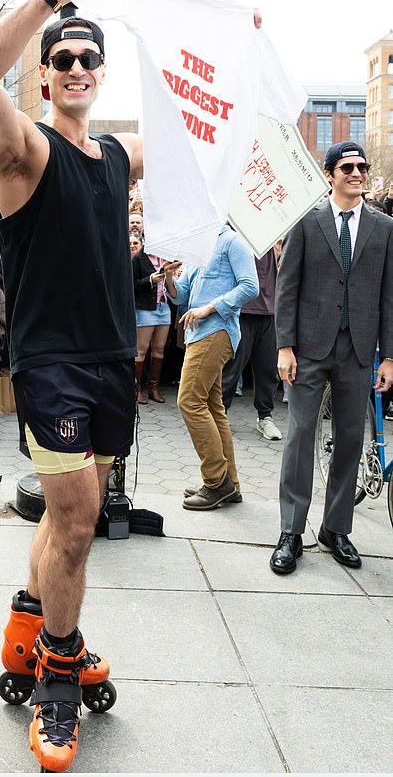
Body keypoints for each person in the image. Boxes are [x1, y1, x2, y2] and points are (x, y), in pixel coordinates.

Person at [0, 0, 142, 772]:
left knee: (80, 522)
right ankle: (57, 686)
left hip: (109, 360)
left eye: (86, 57)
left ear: (101, 72)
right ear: (43, 73)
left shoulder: (116, 159)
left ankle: (31, 630)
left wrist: (224, 49)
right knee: (71, 525)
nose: (73, 66)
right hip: (51, 364)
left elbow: (212, 146)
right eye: (60, 57)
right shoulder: (26, 151)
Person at [271, 142, 393, 575]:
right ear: (330, 174)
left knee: (350, 441)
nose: (357, 173)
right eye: (348, 167)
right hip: (308, 348)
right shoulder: (306, 221)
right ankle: (291, 531)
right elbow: (287, 288)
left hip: (359, 349)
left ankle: (336, 529)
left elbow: (388, 297)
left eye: (362, 167)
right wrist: (285, 346)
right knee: (301, 436)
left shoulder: (384, 227)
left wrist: (388, 357)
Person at [165, 225, 258, 510]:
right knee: (213, 406)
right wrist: (168, 276)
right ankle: (230, 483)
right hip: (199, 333)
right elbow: (181, 296)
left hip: (216, 330)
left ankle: (216, 483)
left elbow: (250, 286)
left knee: (189, 401)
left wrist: (210, 307)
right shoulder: (200, 245)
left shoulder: (232, 241)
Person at [220, 248, 283, 440]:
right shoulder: (236, 232)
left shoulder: (276, 233)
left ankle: (265, 416)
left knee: (268, 369)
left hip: (270, 311)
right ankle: (219, 415)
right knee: (231, 369)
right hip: (242, 311)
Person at [132, 243, 171, 404]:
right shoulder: (138, 258)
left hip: (164, 306)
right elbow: (132, 285)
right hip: (146, 308)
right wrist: (150, 280)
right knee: (141, 350)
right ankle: (136, 389)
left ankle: (153, 388)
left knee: (159, 349)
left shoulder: (167, 256)